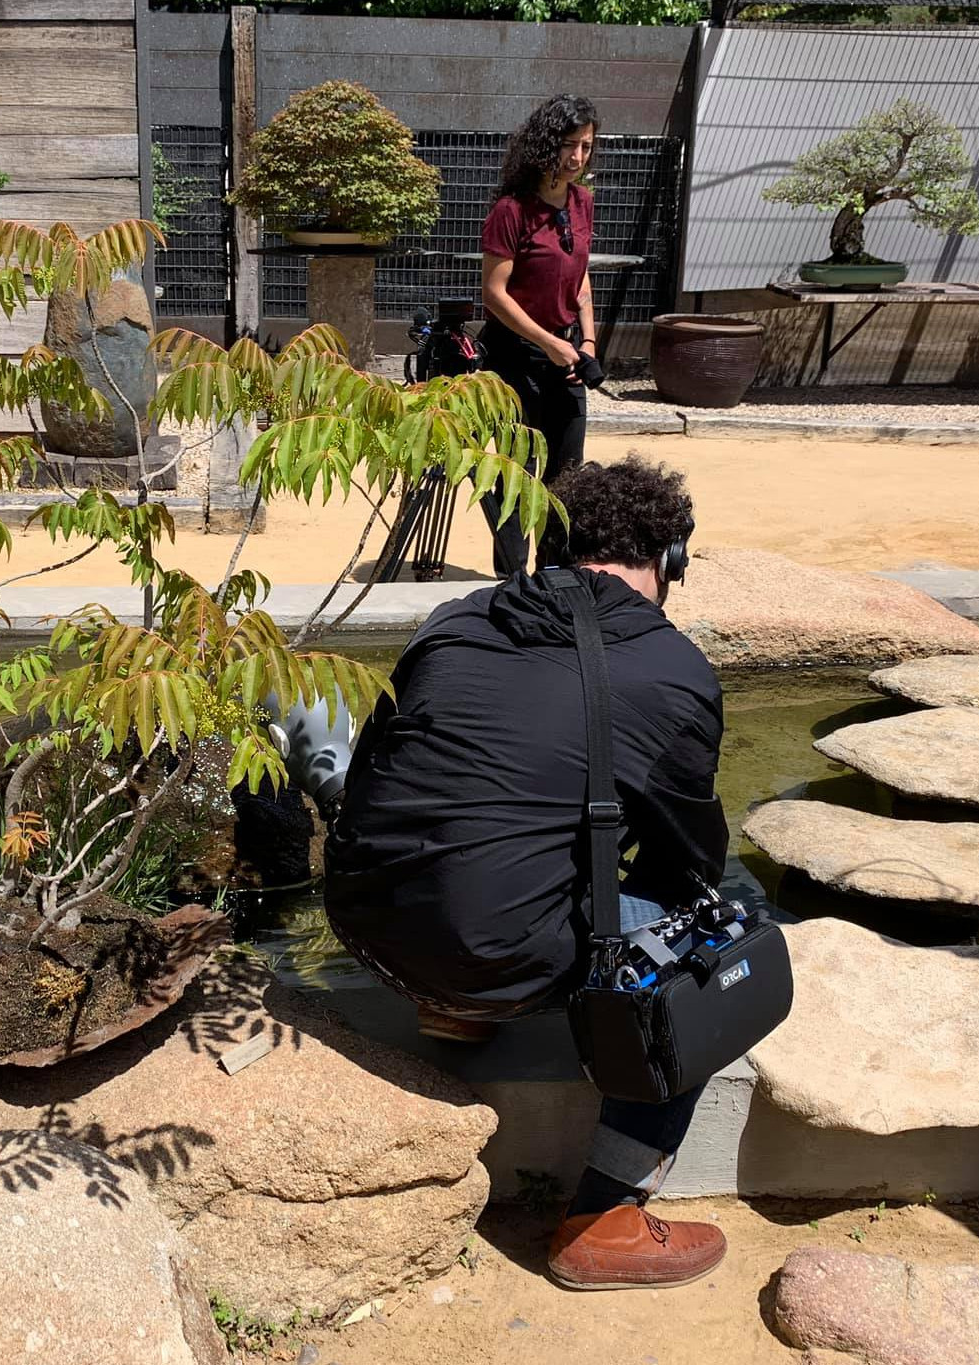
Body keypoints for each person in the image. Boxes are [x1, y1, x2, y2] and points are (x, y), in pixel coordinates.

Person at [321, 457, 730, 1291]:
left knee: (505, 835)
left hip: (367, 929)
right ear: (671, 560)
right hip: (500, 955)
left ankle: (453, 1012)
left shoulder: (453, 621)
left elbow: (390, 780)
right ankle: (606, 1216)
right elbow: (688, 863)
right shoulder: (675, 669)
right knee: (716, 942)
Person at [478, 93, 603, 578]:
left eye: (587, 147)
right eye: (569, 145)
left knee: (567, 475)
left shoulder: (583, 203)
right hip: (515, 357)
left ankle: (556, 579)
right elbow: (494, 293)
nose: (577, 158)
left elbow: (580, 276)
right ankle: (512, 582)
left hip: (567, 353)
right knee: (515, 473)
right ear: (545, 144)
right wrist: (549, 343)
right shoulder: (512, 210)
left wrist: (586, 342)